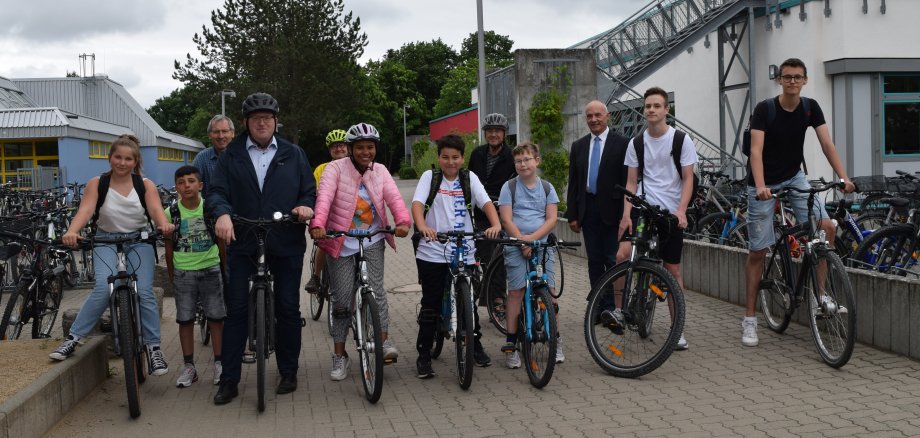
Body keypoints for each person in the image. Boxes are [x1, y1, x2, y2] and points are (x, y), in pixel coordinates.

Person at [207, 92, 316, 405]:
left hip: (284, 238)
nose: (263, 123)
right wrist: (223, 214)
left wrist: (305, 207)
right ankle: (229, 379)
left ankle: (289, 371)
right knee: (237, 309)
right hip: (242, 239)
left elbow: (309, 191)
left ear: (276, 121)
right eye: (256, 119)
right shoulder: (232, 154)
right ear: (246, 123)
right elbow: (216, 192)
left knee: (287, 308)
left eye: (268, 118)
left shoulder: (294, 154)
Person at [742, 58, 855, 347]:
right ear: (779, 80)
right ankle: (750, 319)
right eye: (787, 77)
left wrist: (843, 178)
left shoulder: (809, 107)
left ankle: (820, 297)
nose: (792, 81)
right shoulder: (765, 109)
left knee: (826, 227)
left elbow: (826, 143)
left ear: (805, 80)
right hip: (763, 182)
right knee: (758, 250)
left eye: (798, 77)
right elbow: (756, 151)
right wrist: (761, 186)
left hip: (794, 177)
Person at [50, 134, 175, 377]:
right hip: (105, 240)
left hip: (138, 240)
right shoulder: (98, 183)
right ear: (110, 158)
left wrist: (163, 225)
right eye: (118, 157)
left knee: (145, 292)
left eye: (128, 158)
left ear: (135, 161)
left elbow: (155, 209)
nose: (122, 162)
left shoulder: (144, 184)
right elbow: (86, 210)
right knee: (102, 289)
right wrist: (72, 231)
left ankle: (154, 348)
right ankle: (74, 339)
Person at [309, 123, 411, 381]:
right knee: (341, 299)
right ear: (351, 149)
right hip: (340, 239)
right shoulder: (335, 169)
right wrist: (318, 224)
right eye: (360, 147)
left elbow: (394, 198)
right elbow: (324, 198)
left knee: (377, 290)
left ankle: (384, 341)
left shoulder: (381, 171)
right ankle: (339, 355)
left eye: (370, 147)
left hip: (372, 236)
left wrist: (402, 222)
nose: (366, 152)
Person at [613, 86, 698, 350]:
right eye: (647, 106)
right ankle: (619, 312)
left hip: (671, 211)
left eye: (656, 106)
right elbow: (630, 182)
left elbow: (688, 179)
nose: (651, 110)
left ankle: (677, 329)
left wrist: (681, 210)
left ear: (666, 110)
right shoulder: (636, 143)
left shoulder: (681, 140)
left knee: (672, 270)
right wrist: (626, 215)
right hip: (643, 208)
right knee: (622, 255)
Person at [412, 134, 501, 378]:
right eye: (445, 157)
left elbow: (486, 203)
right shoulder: (430, 178)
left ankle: (475, 346)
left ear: (462, 159)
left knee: (468, 303)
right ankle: (423, 354)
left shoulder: (468, 178)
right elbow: (418, 204)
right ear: (439, 158)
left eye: (455, 157)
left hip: (465, 249)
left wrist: (495, 224)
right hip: (433, 250)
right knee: (430, 303)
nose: (450, 162)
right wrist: (422, 227)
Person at [497, 142, 564, 368]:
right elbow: (506, 219)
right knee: (516, 292)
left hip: (541, 245)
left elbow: (552, 219)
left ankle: (556, 339)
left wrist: (533, 239)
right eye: (518, 161)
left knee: (550, 293)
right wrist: (521, 241)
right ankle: (512, 343)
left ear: (537, 161)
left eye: (527, 159)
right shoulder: (509, 187)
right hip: (516, 244)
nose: (523, 164)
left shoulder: (547, 187)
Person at [165, 165, 227, 388]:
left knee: (216, 317)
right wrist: (172, 274)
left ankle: (220, 363)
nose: (186, 185)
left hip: (211, 267)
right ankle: (189, 366)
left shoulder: (210, 209)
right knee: (185, 318)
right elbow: (169, 247)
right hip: (184, 270)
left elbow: (221, 242)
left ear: (200, 185)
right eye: (181, 182)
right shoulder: (171, 213)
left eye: (191, 181)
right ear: (176, 187)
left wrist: (224, 268)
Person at [565, 100, 630, 290]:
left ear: (607, 116)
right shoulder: (578, 146)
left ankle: (612, 307)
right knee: (594, 262)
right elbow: (574, 183)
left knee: (612, 260)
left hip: (613, 212)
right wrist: (573, 214)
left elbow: (628, 181)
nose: (594, 120)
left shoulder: (623, 144)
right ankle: (598, 304)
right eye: (589, 116)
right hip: (588, 211)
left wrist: (625, 215)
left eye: (598, 115)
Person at [467, 113, 516, 308]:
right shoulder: (477, 154)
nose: (493, 134)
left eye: (497, 131)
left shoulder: (511, 156)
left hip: (502, 213)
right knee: (483, 256)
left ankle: (497, 299)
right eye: (489, 131)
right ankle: (481, 293)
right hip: (480, 213)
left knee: (499, 256)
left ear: (504, 133)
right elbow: (470, 181)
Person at [305, 129, 350, 294]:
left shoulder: (355, 166)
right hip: (327, 214)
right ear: (330, 150)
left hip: (349, 215)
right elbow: (318, 194)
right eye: (334, 147)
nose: (338, 149)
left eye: (342, 145)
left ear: (348, 147)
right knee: (324, 243)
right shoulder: (321, 169)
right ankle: (316, 277)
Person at [192, 115, 235, 198]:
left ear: (232, 133)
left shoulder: (243, 156)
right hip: (212, 209)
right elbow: (190, 185)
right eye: (216, 132)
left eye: (225, 131)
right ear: (209, 135)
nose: (221, 136)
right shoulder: (202, 158)